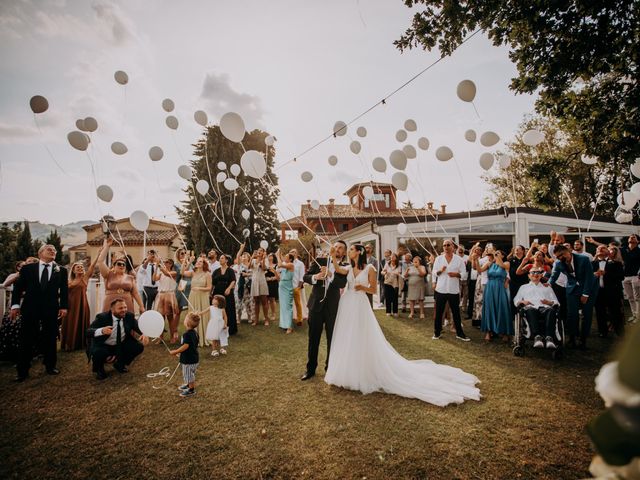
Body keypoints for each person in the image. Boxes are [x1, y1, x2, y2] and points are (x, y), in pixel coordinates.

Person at [325, 243, 480, 406]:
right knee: (347, 337)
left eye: (351, 249)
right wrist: (332, 256)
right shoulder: (348, 267)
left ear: (358, 252)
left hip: (360, 305)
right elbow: (338, 269)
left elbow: (374, 290)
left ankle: (364, 371)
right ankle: (348, 371)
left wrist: (363, 287)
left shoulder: (370, 267)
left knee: (362, 337)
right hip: (347, 305)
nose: (348, 251)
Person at [10, 244, 68, 381]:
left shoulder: (61, 270)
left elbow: (64, 290)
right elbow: (18, 288)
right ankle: (22, 370)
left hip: (51, 309)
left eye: (54, 250)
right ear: (40, 253)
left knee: (50, 337)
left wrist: (64, 307)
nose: (53, 251)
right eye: (49, 249)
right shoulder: (28, 269)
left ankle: (50, 365)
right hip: (30, 308)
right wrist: (15, 305)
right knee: (26, 338)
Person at [300, 241, 349, 381]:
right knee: (313, 338)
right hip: (315, 306)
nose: (337, 249)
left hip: (332, 308)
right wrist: (316, 277)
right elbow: (306, 277)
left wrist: (329, 275)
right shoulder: (320, 260)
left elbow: (341, 283)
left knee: (331, 340)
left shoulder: (345, 266)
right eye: (336, 247)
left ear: (344, 253)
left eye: (341, 248)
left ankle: (330, 369)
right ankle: (310, 370)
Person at [86, 298, 149, 380]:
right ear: (112, 310)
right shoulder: (102, 317)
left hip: (120, 344)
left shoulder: (129, 316)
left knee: (138, 347)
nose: (124, 310)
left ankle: (120, 364)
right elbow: (88, 332)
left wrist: (144, 334)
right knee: (99, 352)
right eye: (120, 308)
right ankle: (99, 369)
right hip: (104, 345)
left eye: (125, 307)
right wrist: (101, 331)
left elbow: (138, 327)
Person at [549, 244, 598, 349]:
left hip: (588, 288)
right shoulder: (558, 263)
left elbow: (590, 278)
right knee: (572, 314)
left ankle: (583, 340)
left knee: (587, 315)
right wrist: (546, 285)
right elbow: (553, 277)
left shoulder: (584, 259)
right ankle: (572, 338)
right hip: (572, 289)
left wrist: (585, 294)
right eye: (558, 257)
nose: (560, 258)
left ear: (568, 251)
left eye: (561, 255)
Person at [588, 235, 640, 324]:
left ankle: (638, 317)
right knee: (630, 298)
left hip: (636, 276)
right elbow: (608, 248)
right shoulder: (624, 249)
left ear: (638, 241)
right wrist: (594, 242)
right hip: (625, 277)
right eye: (630, 237)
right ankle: (634, 315)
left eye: (634, 237)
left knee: (637, 298)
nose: (631, 238)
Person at [432, 240, 470, 341]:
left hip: (453, 290)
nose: (446, 247)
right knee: (439, 313)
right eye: (444, 245)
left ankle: (459, 333)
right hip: (441, 289)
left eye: (448, 245)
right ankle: (437, 333)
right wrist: (440, 271)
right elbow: (434, 272)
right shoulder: (439, 259)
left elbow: (464, 274)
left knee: (456, 313)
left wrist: (456, 275)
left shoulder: (459, 260)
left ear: (453, 246)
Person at [513, 269, 560, 349]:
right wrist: (523, 302)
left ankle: (549, 338)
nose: (535, 274)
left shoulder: (547, 288)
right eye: (533, 272)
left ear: (541, 275)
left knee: (551, 311)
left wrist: (549, 302)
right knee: (530, 310)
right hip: (530, 308)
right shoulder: (523, 287)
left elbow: (556, 302)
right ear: (529, 275)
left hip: (545, 308)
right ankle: (537, 337)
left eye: (538, 272)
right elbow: (516, 300)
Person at [62, 254, 99, 351]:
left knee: (80, 322)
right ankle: (69, 344)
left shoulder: (85, 278)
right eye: (77, 267)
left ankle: (79, 344)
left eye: (81, 267)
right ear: (73, 270)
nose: (80, 268)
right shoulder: (68, 281)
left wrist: (98, 253)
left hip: (81, 304)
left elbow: (92, 266)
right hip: (69, 305)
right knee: (70, 323)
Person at [98, 237, 145, 314]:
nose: (122, 265)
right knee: (109, 323)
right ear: (114, 266)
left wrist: (141, 306)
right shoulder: (108, 274)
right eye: (119, 264)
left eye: (124, 264)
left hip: (127, 304)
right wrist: (107, 246)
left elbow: (136, 293)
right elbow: (100, 261)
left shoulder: (130, 278)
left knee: (127, 323)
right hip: (110, 302)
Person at [481, 250, 514, 343]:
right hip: (490, 287)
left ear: (503, 256)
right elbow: (479, 270)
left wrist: (497, 255)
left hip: (500, 288)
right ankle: (488, 331)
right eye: (495, 254)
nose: (495, 255)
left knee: (502, 307)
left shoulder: (506, 263)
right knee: (489, 307)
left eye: (499, 254)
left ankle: (504, 332)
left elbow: (502, 266)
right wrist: (475, 259)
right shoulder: (490, 264)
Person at [592, 245, 625, 338]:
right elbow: (586, 277)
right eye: (599, 249)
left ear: (608, 251)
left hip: (612, 292)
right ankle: (603, 332)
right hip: (598, 292)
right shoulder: (592, 263)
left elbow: (621, 276)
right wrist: (594, 274)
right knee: (599, 313)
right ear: (596, 251)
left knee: (615, 312)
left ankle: (619, 332)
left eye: (603, 249)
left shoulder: (616, 263)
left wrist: (607, 274)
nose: (601, 250)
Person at [182, 256, 211, 347]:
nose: (198, 263)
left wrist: (199, 288)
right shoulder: (193, 272)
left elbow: (209, 288)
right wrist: (188, 262)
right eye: (197, 261)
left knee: (202, 315)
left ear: (204, 264)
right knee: (193, 315)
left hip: (203, 297)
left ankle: (204, 337)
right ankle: (194, 337)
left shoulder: (207, 274)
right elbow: (182, 272)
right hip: (193, 297)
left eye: (201, 262)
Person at [169, 312, 200, 397]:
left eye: (185, 318)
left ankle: (191, 390)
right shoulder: (195, 333)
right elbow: (192, 346)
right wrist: (181, 354)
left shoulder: (187, 334)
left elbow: (185, 346)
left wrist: (176, 351)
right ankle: (188, 385)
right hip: (194, 358)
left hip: (189, 360)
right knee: (189, 374)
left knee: (188, 375)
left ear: (187, 323)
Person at [154, 258, 180, 343]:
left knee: (170, 318)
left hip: (169, 295)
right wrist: (156, 267)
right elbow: (154, 279)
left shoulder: (174, 273)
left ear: (171, 264)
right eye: (164, 262)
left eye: (167, 262)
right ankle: (160, 338)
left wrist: (159, 265)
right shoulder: (161, 273)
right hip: (161, 295)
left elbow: (167, 273)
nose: (165, 263)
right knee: (160, 318)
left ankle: (172, 336)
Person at [212, 254, 237, 335]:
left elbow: (233, 281)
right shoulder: (216, 271)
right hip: (217, 291)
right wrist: (210, 293)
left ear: (226, 260)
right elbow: (213, 283)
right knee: (217, 310)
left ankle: (229, 329)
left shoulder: (230, 270)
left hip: (227, 292)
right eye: (220, 258)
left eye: (222, 258)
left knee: (228, 309)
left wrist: (229, 288)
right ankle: (217, 328)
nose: (220, 259)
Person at [276, 250, 295, 334]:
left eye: (286, 257)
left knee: (288, 307)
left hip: (287, 287)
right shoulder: (285, 265)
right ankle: (284, 324)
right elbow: (280, 275)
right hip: (282, 287)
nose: (284, 258)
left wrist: (277, 255)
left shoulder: (291, 265)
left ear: (290, 259)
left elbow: (280, 264)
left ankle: (290, 326)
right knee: (283, 306)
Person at [235, 244, 254, 325]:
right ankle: (238, 318)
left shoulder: (251, 266)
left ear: (249, 258)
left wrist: (248, 275)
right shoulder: (240, 265)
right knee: (239, 301)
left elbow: (254, 274)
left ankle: (249, 317)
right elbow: (237, 255)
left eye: (245, 256)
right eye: (243, 256)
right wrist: (241, 249)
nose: (243, 257)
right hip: (239, 286)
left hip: (248, 287)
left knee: (248, 302)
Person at [250, 248, 270, 326]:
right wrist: (252, 257)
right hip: (254, 281)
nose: (259, 252)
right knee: (256, 302)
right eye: (258, 251)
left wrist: (263, 260)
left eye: (261, 251)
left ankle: (266, 319)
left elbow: (264, 268)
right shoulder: (254, 260)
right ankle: (256, 320)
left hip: (262, 281)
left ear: (263, 253)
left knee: (264, 301)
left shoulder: (265, 260)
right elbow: (249, 267)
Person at [290, 249, 306, 326]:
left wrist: (299, 287)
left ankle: (301, 317)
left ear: (297, 254)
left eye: (294, 252)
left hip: (297, 286)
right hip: (289, 286)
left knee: (299, 302)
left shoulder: (300, 263)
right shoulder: (288, 263)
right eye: (291, 252)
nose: (292, 253)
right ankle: (293, 316)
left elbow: (302, 276)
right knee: (290, 303)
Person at [265, 253, 279, 323]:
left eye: (271, 256)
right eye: (268, 256)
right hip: (266, 283)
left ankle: (273, 314)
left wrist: (272, 278)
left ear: (273, 257)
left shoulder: (276, 265)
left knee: (272, 299)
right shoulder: (266, 265)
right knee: (266, 299)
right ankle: (266, 315)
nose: (269, 257)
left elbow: (278, 275)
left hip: (273, 283)